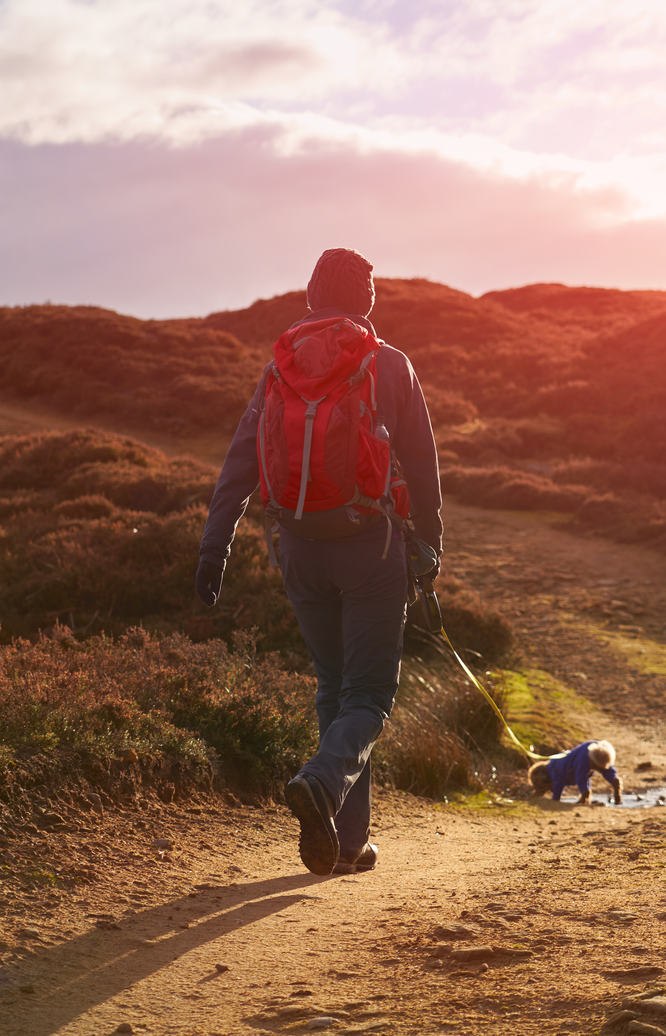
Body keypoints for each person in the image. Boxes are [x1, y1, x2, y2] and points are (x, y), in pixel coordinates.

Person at [194, 247, 442, 876]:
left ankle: (346, 841)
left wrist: (213, 546)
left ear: (309, 298)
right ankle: (322, 781)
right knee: (369, 694)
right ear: (368, 302)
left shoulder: (279, 370)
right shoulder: (388, 365)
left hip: (299, 548)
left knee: (335, 687)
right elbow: (423, 464)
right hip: (370, 548)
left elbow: (240, 465)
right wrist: (430, 545)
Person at [528, 740, 623, 805]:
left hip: (587, 753)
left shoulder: (553, 768)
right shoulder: (555, 761)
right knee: (606, 769)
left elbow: (559, 783)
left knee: (581, 776)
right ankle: (615, 780)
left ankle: (585, 795)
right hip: (594, 747)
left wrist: (555, 799)